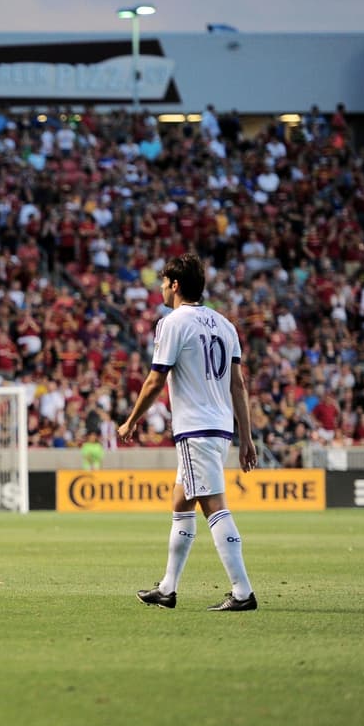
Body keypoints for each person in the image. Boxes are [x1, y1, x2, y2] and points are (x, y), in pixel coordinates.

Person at [118, 253, 259, 612]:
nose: (162, 290)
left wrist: (132, 419)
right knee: (181, 503)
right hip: (218, 426)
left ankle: (243, 592)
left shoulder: (172, 323)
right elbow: (238, 386)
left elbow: (155, 379)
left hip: (195, 428)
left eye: (164, 284)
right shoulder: (225, 325)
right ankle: (167, 588)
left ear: (175, 285)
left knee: (214, 506)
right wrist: (247, 437)